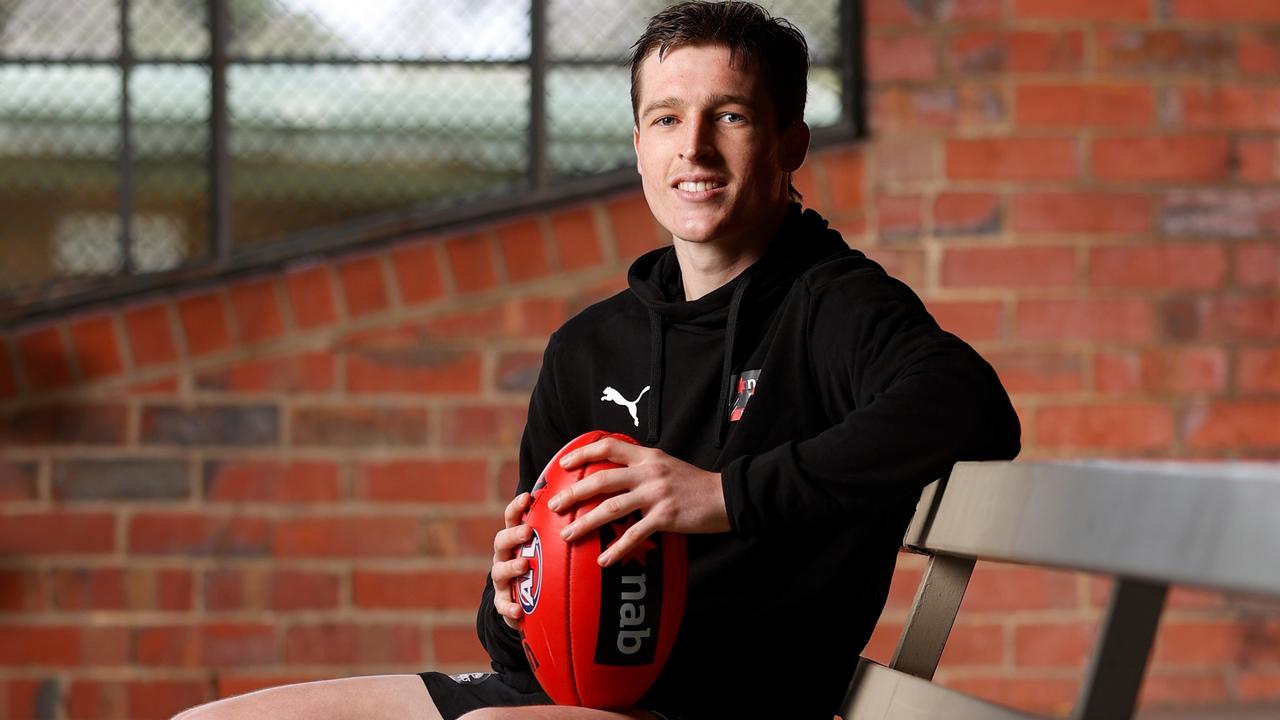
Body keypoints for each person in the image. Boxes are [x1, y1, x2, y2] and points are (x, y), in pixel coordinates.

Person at [173, 3, 1019, 719]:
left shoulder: (832, 305)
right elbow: (517, 646)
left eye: (730, 115)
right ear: (640, 145)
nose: (694, 148)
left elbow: (970, 406)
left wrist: (718, 494)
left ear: (790, 143)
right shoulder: (589, 347)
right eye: (666, 118)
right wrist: (515, 596)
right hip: (562, 700)